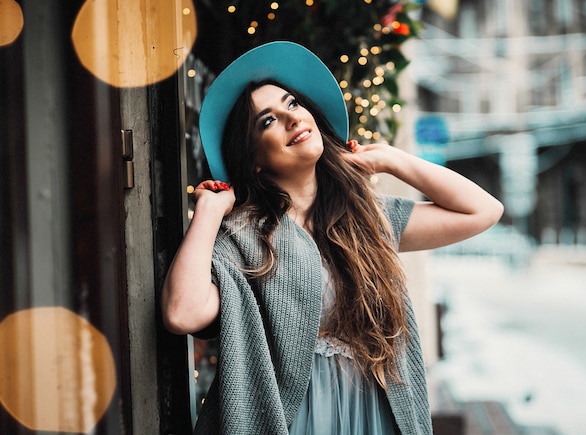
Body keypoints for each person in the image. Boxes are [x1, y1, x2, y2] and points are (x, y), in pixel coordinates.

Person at [161, 41, 503, 435]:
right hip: (298, 420)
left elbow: (484, 211)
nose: (291, 119)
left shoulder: (369, 217)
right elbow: (181, 313)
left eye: (292, 104)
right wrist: (208, 212)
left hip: (377, 412)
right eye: (267, 121)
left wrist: (393, 159)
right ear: (253, 157)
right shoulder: (245, 238)